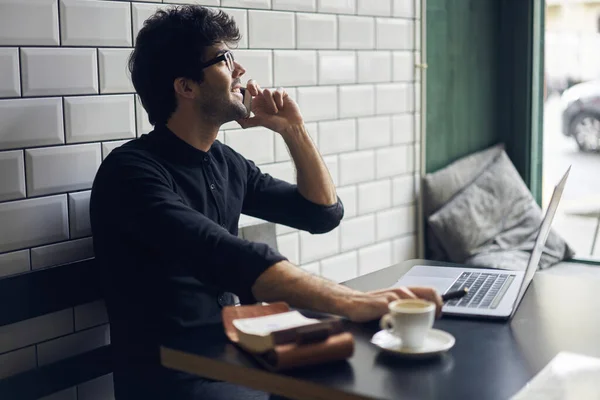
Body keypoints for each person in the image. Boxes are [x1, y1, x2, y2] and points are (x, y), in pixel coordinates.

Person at [89, 5, 442, 400]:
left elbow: (321, 213)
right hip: (173, 379)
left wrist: (293, 130)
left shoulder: (225, 162)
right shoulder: (131, 174)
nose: (240, 69)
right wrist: (352, 301)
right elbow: (224, 253)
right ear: (186, 86)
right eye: (224, 59)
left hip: (237, 359)